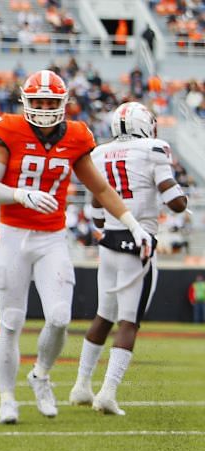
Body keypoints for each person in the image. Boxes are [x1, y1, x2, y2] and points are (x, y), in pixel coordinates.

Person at [0, 70, 153, 424]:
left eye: (50, 102)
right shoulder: (7, 130)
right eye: (37, 101)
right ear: (26, 102)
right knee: (10, 322)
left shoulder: (75, 136)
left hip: (52, 237)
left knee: (59, 317)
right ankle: (7, 398)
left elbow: (101, 190)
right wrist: (20, 194)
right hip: (13, 235)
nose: (43, 108)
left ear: (63, 103)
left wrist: (134, 225)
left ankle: (41, 375)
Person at [69, 102, 188, 415]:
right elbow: (173, 199)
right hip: (139, 244)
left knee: (103, 316)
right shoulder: (154, 148)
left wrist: (109, 223)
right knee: (129, 322)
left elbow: (95, 209)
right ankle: (107, 392)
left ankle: (81, 385)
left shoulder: (99, 152)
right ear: (144, 124)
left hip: (109, 242)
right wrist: (182, 202)